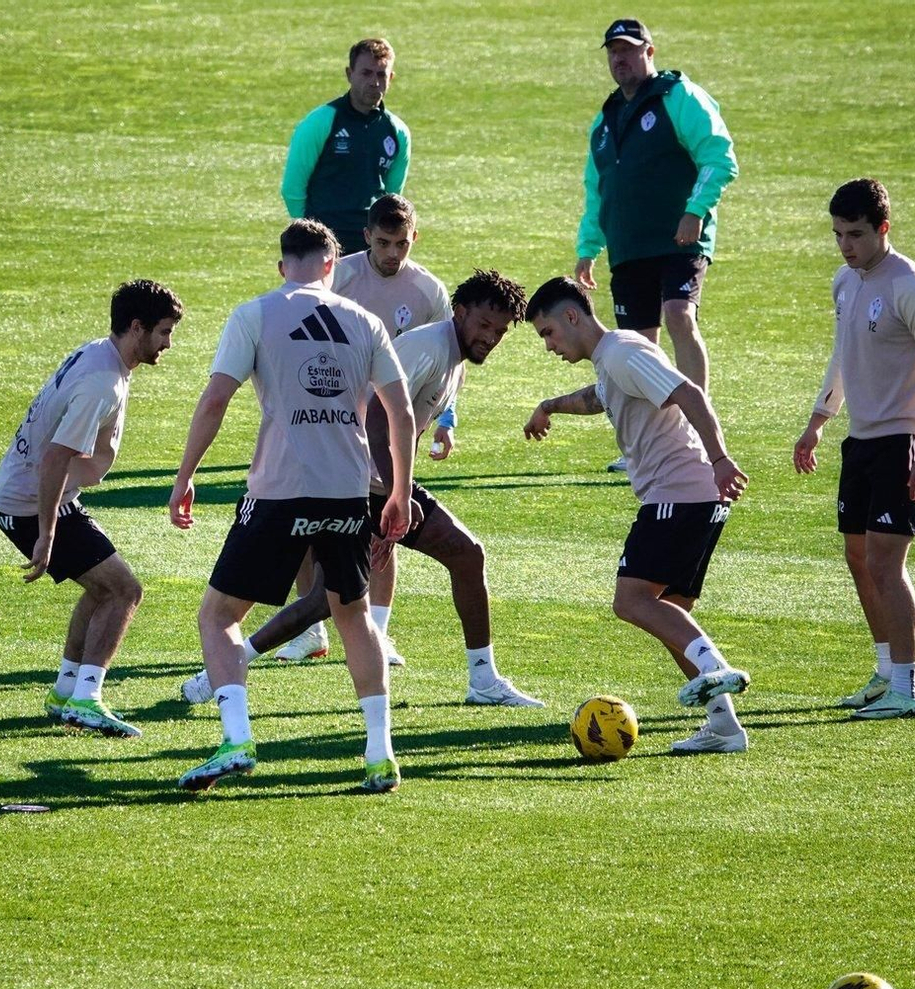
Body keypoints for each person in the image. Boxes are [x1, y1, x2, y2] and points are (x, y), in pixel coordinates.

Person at [178, 269, 543, 710]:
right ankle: (221, 669)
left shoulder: (453, 358)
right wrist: (397, 495)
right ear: (460, 312)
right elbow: (375, 418)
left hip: (370, 483)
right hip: (361, 485)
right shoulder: (428, 348)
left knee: (340, 596)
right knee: (338, 597)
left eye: (500, 331)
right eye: (485, 325)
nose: (491, 337)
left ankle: (483, 681)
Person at [168, 220, 416, 794]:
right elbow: (399, 413)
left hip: (279, 491)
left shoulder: (254, 314)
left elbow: (215, 400)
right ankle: (380, 756)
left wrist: (185, 477)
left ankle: (237, 740)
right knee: (352, 616)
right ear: (332, 266)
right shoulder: (366, 321)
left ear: (283, 267)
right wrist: (399, 491)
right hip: (349, 491)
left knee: (219, 615)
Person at [522, 277, 751, 753]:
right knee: (671, 614)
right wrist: (550, 406)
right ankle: (725, 727)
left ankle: (715, 671)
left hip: (680, 493)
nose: (549, 346)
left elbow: (689, 394)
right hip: (694, 498)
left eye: (548, 333)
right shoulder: (613, 362)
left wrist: (721, 458)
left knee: (631, 601)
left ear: (571, 317)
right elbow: (599, 397)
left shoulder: (625, 353)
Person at [0, 280, 184, 739]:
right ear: (137, 327)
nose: (168, 344)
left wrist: (11, 477)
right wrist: (46, 532)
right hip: (34, 503)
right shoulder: (102, 381)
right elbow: (55, 456)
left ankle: (66, 691)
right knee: (124, 591)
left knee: (102, 590)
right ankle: (86, 699)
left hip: (29, 493)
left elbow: (43, 422)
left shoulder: (98, 353)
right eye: (164, 332)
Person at [792, 178, 915, 720]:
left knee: (887, 564)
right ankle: (886, 671)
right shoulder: (846, 281)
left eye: (856, 234)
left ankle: (907, 687)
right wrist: (818, 421)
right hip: (860, 442)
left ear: (883, 228)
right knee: (859, 559)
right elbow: (843, 354)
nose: (846, 245)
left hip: (902, 442)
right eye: (838, 234)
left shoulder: (912, 286)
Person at [275, 193, 455, 665]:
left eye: (402, 243)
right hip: (329, 420)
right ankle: (312, 630)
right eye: (384, 243)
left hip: (390, 425)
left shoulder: (430, 292)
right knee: (308, 524)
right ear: (366, 237)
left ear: (414, 237)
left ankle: (377, 631)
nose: (393, 253)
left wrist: (447, 420)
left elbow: (449, 360)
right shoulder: (340, 276)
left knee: (381, 522)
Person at [574, 19, 738, 472]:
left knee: (679, 315)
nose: (619, 58)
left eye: (629, 49)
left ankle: (701, 437)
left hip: (679, 238)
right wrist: (589, 246)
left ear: (650, 51)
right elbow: (597, 191)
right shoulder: (605, 119)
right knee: (635, 348)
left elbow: (719, 155)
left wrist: (696, 209)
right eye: (613, 51)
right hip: (628, 248)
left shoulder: (678, 97)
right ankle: (647, 445)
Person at [280, 39, 410, 256]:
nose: (374, 82)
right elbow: (292, 187)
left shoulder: (397, 132)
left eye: (381, 75)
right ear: (350, 74)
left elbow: (392, 197)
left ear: (391, 78)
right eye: (366, 73)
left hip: (369, 247)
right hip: (321, 244)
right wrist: (308, 235)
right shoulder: (321, 121)